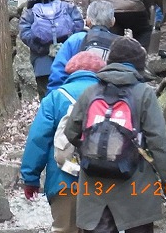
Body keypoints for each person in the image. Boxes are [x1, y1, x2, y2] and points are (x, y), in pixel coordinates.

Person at [63, 37, 166, 233]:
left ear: (110, 61)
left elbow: (70, 132)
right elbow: (160, 144)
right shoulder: (144, 94)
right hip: (136, 190)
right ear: (138, 66)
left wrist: (93, 149)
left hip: (94, 190)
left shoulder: (90, 92)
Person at [20, 51, 106, 233]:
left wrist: (31, 178)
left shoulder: (55, 98)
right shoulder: (110, 97)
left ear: (71, 72)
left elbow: (38, 138)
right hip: (103, 179)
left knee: (64, 229)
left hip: (64, 180)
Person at [19, 0, 84, 99]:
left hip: (43, 67)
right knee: (70, 98)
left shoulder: (30, 13)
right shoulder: (67, 7)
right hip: (68, 63)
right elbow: (78, 25)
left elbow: (25, 34)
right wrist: (66, 47)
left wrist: (46, 49)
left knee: (47, 100)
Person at [46, 0, 119, 94]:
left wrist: (55, 97)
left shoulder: (75, 40)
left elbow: (58, 73)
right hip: (112, 97)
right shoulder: (120, 43)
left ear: (88, 21)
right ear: (113, 21)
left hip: (78, 95)